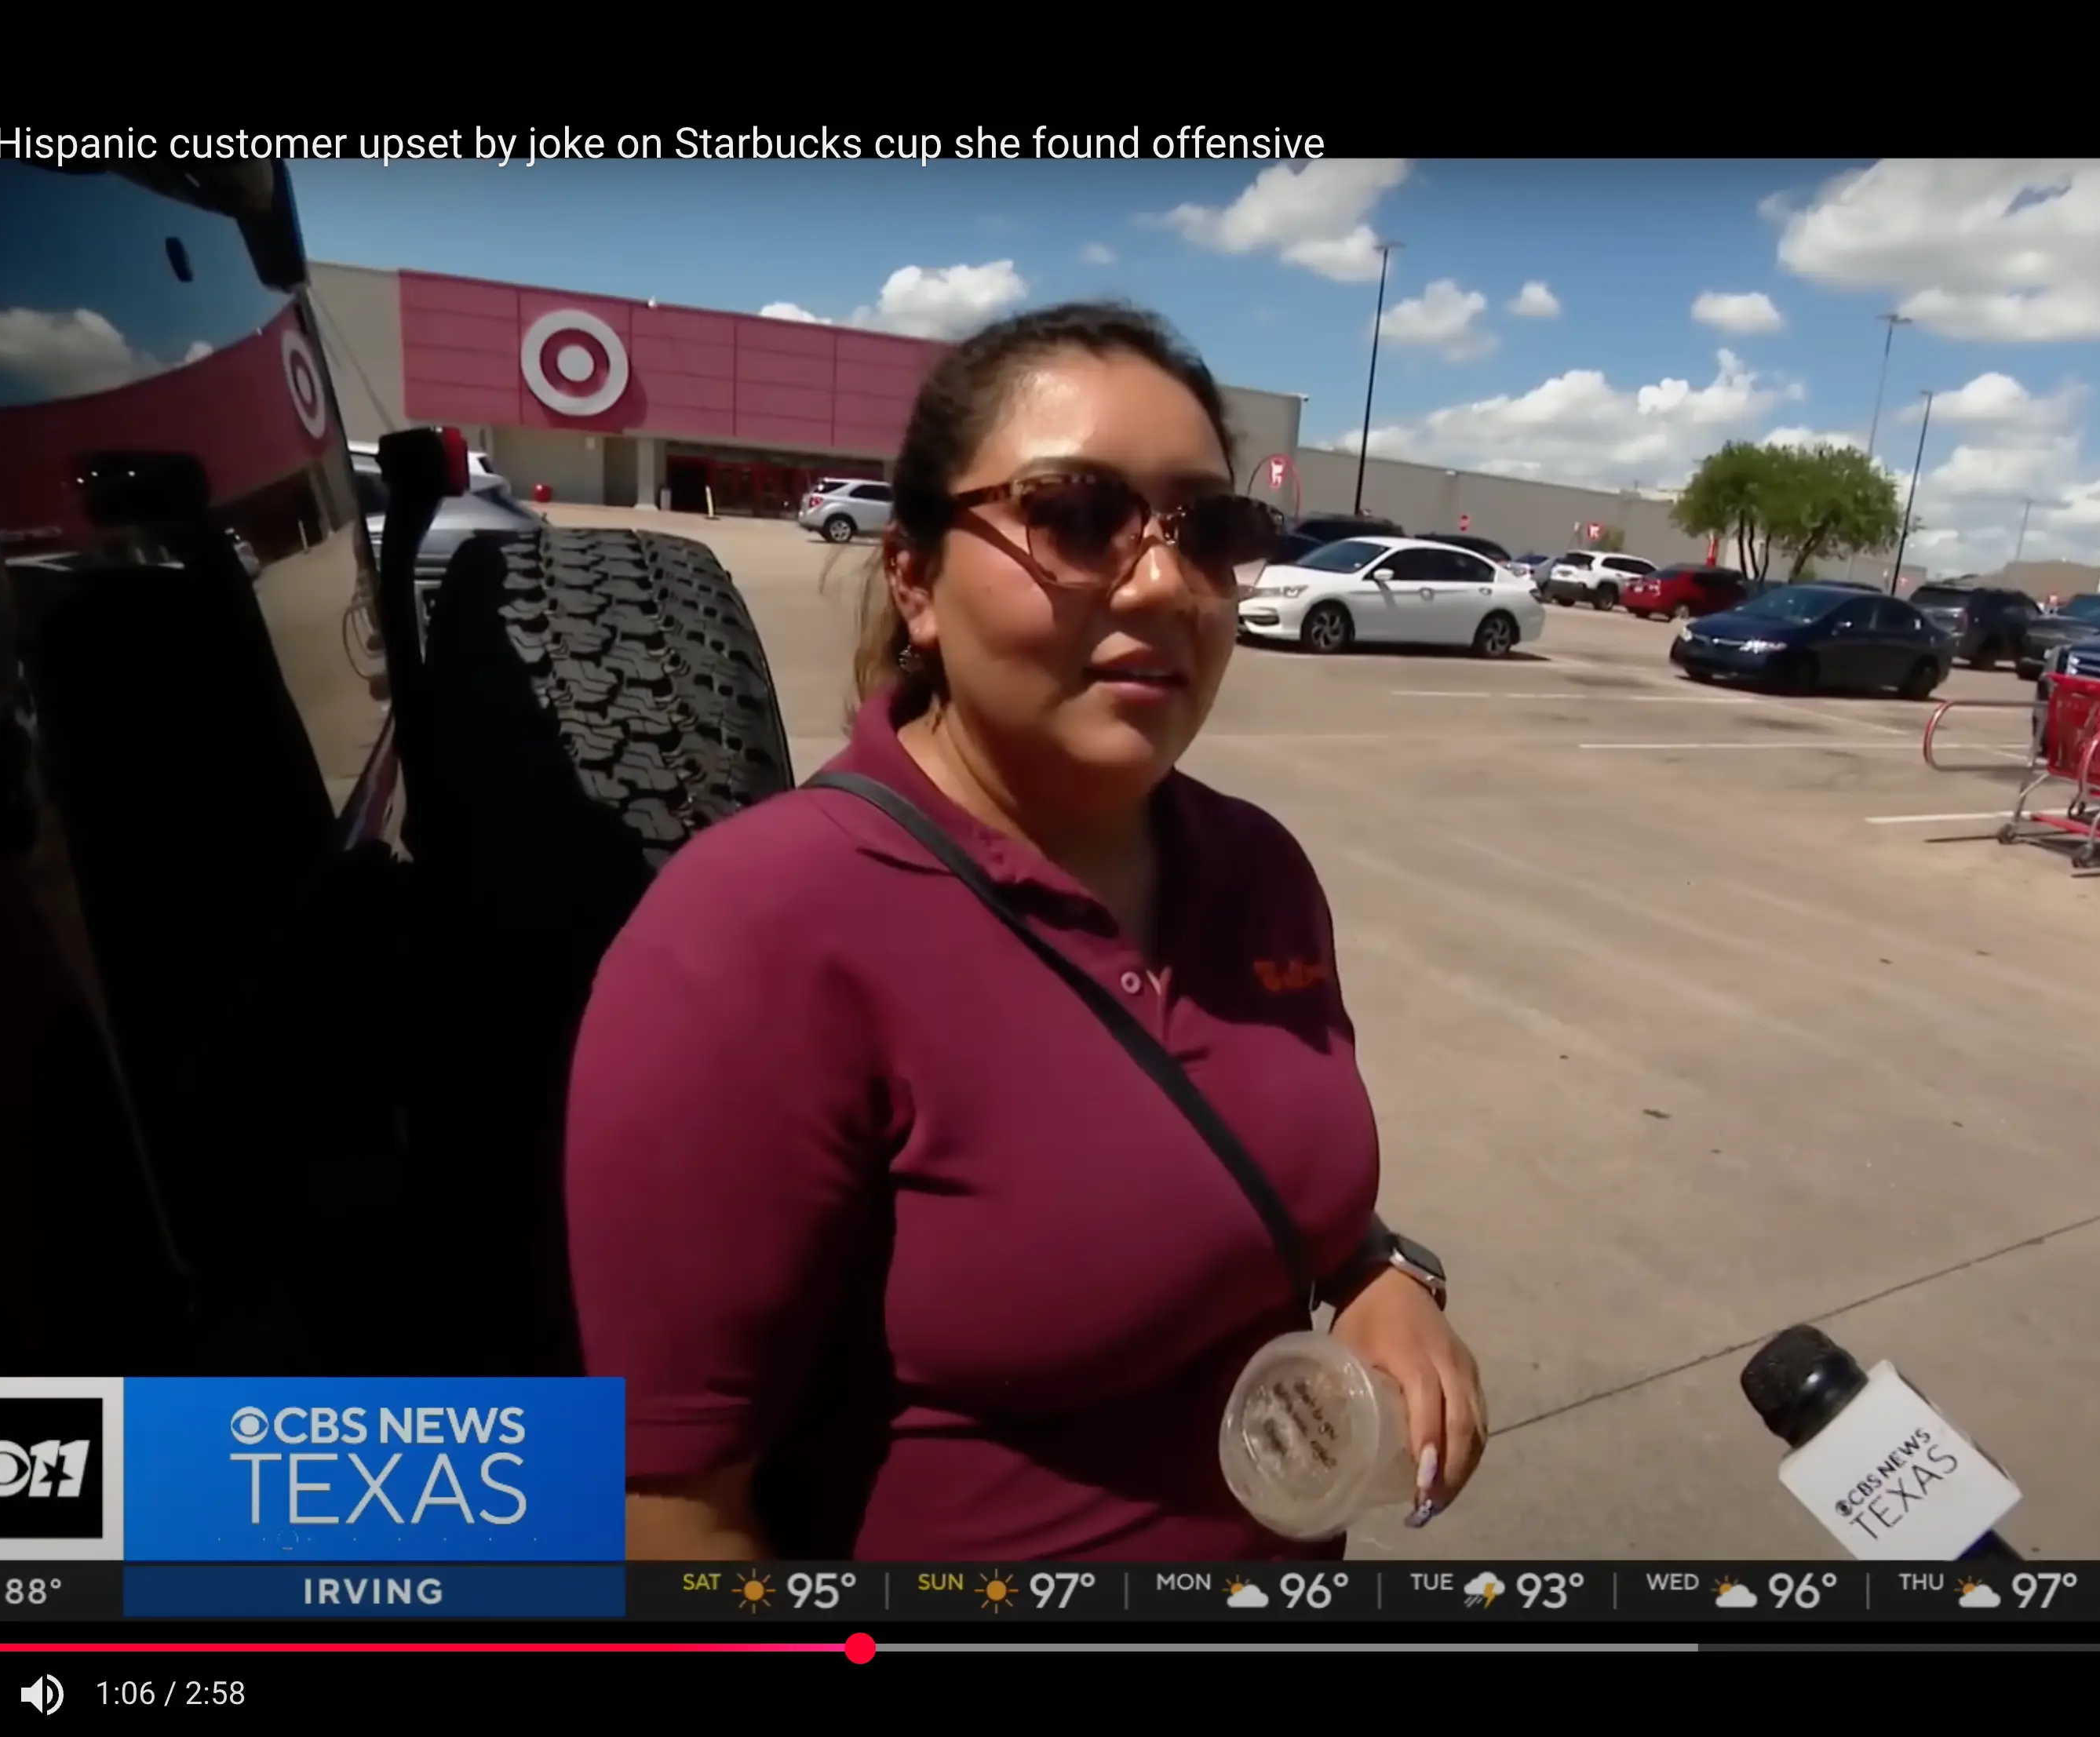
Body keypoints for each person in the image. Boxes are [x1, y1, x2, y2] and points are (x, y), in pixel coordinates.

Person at [565, 302, 1486, 1561]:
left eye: (1210, 532)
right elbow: (669, 1520)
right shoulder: (754, 935)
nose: (1165, 584)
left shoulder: (1263, 869)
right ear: (915, 578)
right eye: (1076, 514)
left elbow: (1262, 1188)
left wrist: (1377, 1275)